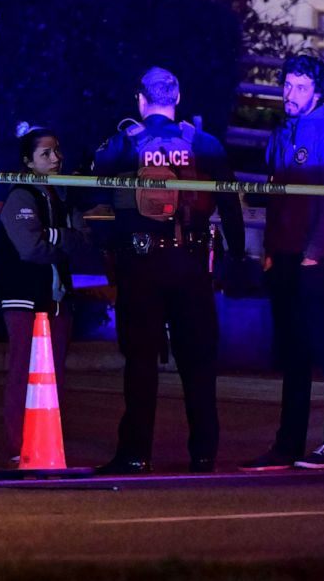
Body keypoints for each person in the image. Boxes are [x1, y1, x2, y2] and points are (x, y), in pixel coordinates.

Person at [93, 66, 246, 474]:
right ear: (177, 98)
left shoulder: (122, 145)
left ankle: (135, 454)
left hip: (141, 266)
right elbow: (231, 205)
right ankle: (203, 454)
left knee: (140, 362)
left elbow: (90, 192)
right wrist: (236, 255)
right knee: (198, 363)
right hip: (192, 264)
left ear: (140, 100)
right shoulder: (206, 144)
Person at [240, 54, 324, 471]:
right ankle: (287, 445)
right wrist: (270, 249)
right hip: (285, 256)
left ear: (316, 92)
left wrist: (314, 252)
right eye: (287, 85)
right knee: (293, 354)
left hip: (314, 261)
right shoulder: (281, 132)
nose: (290, 93)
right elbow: (275, 198)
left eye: (300, 87)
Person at [0, 122, 92, 465]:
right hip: (25, 300)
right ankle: (18, 446)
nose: (56, 158)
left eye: (57, 151)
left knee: (54, 380)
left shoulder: (63, 196)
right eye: (46, 153)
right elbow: (30, 248)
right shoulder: (21, 197)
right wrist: (62, 238)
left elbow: (83, 240)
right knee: (24, 373)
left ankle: (45, 441)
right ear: (28, 161)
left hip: (58, 301)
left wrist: (56, 236)